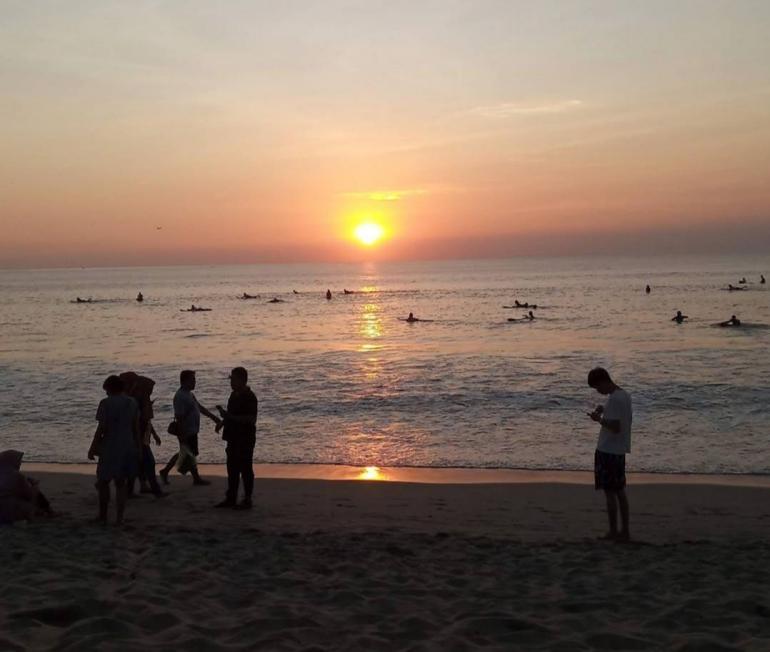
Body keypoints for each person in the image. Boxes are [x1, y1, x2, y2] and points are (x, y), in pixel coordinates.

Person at [587, 367, 632, 543]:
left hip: (608, 450)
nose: (598, 391)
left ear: (604, 381)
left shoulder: (615, 400)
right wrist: (601, 409)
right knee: (620, 492)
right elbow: (616, 414)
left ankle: (613, 531)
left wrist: (599, 420)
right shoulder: (623, 395)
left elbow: (615, 427)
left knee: (610, 494)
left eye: (597, 387)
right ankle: (624, 531)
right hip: (619, 450)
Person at [88, 375, 140, 525]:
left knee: (104, 481)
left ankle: (103, 515)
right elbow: (136, 428)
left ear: (109, 388)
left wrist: (92, 448)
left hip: (110, 445)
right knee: (121, 483)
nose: (105, 393)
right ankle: (120, 517)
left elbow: (101, 428)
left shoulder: (105, 403)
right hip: (128, 445)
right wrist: (138, 447)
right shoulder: (132, 402)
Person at [159, 370, 220, 486]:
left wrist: (214, 418)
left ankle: (168, 472)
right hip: (185, 430)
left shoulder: (190, 394)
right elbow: (179, 417)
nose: (195, 382)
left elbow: (199, 407)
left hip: (192, 429)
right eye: (192, 380)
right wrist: (182, 435)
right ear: (185, 381)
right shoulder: (180, 396)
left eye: (194, 380)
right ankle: (192, 478)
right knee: (187, 453)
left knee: (189, 453)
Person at [215, 367, 258, 510]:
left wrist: (229, 417)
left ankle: (247, 499)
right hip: (232, 437)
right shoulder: (233, 395)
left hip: (245, 438)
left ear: (242, 380)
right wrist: (223, 422)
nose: (231, 382)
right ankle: (231, 497)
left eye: (233, 379)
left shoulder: (250, 397)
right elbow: (231, 415)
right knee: (232, 469)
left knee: (245, 468)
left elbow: (251, 419)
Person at [120, 372, 166, 498]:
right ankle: (155, 490)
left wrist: (155, 434)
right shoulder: (135, 401)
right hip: (138, 438)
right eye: (149, 389)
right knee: (149, 463)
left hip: (140, 437)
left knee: (137, 464)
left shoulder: (134, 400)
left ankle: (131, 491)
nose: (150, 391)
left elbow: (147, 421)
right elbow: (140, 422)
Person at [0, 450, 53, 524]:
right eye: (18, 460)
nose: (20, 463)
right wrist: (35, 485)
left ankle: (46, 510)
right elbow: (29, 496)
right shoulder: (17, 476)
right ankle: (48, 511)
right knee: (35, 492)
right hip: (9, 510)